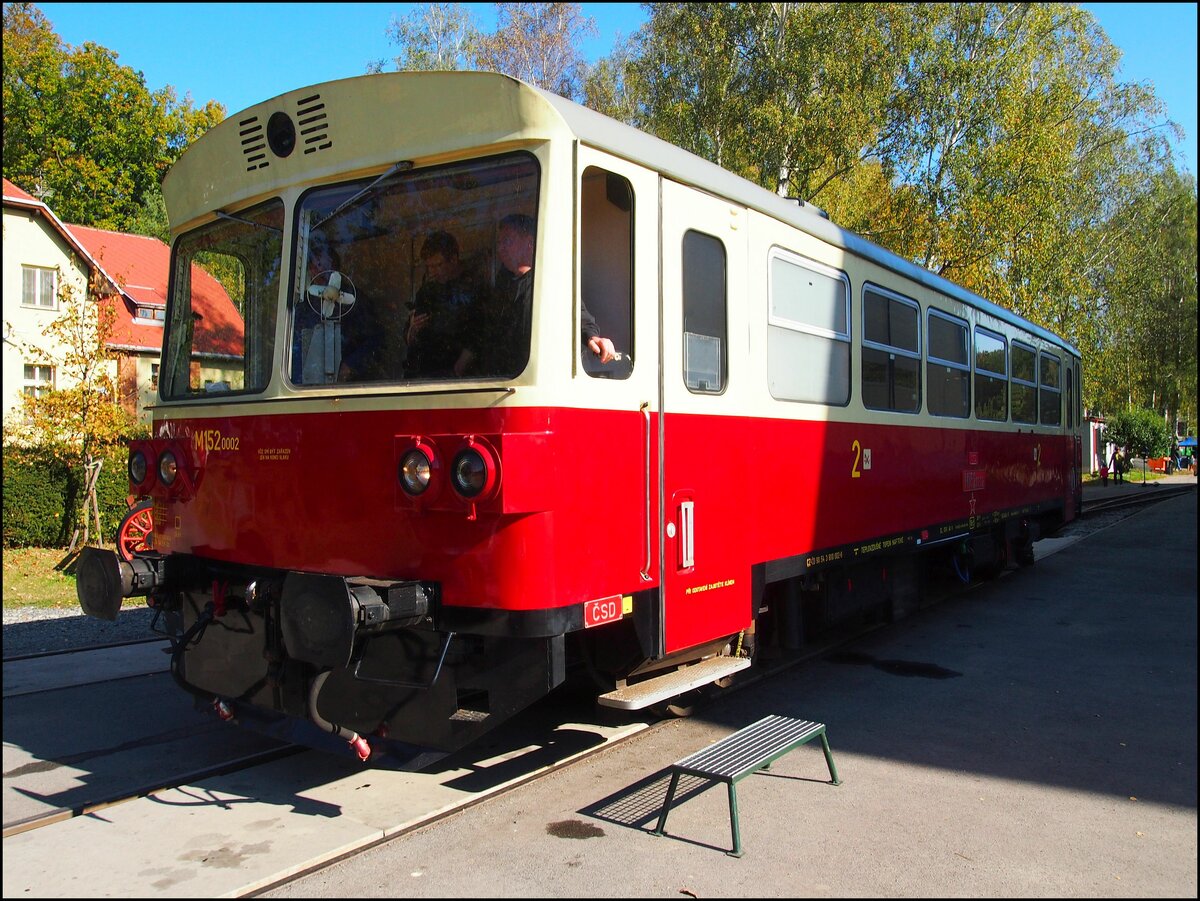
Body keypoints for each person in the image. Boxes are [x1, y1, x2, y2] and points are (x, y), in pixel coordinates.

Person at [456, 213, 618, 377]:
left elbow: (578, 316)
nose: (500, 248)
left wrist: (593, 339)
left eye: (507, 241)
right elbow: (484, 329)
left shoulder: (549, 280)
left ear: (530, 244)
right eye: (499, 242)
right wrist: (464, 359)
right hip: (501, 381)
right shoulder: (499, 286)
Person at [405, 231, 480, 379]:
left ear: (453, 259)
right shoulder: (427, 291)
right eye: (429, 266)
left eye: (438, 265)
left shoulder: (474, 289)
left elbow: (480, 335)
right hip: (422, 373)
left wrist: (459, 369)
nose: (433, 272)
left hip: (457, 378)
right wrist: (412, 329)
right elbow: (410, 337)